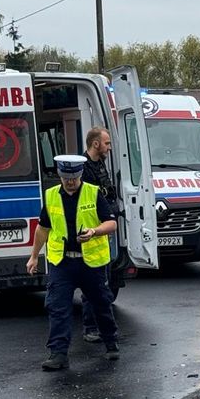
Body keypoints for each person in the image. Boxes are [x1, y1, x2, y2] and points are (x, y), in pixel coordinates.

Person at [27, 155, 120, 371]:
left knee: (101, 304)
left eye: (74, 178)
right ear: (60, 175)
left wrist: (94, 231)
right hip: (62, 262)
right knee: (58, 307)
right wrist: (33, 256)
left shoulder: (93, 192)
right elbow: (43, 229)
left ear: (80, 175)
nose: (70, 182)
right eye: (66, 178)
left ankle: (111, 343)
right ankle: (58, 354)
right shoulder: (51, 196)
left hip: (92, 263)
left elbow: (111, 223)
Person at [81, 127, 117, 343]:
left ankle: (100, 325)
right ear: (96, 144)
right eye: (107, 143)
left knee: (103, 282)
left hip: (102, 229)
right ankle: (90, 327)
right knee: (92, 284)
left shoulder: (98, 164)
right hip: (92, 232)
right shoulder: (84, 168)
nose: (109, 148)